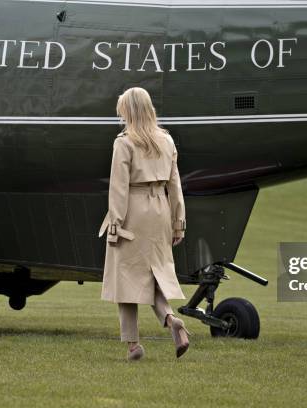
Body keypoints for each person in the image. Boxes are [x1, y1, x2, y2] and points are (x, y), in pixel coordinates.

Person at [98, 87, 190, 361]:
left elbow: (118, 188)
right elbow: (175, 186)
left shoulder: (124, 142)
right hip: (160, 210)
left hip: (133, 211)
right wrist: (178, 222)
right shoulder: (167, 141)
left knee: (124, 277)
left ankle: (133, 345)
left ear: (127, 110)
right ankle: (170, 319)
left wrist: (114, 224)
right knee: (154, 275)